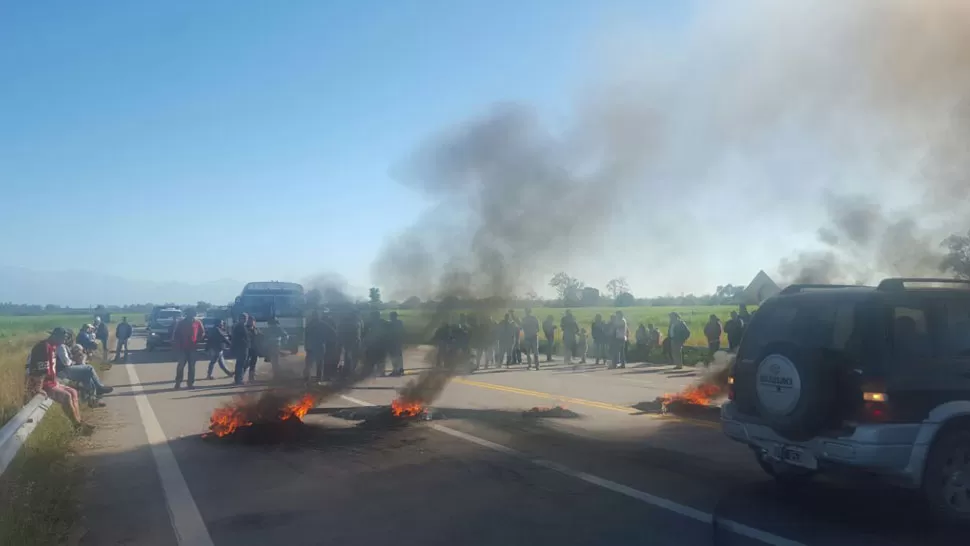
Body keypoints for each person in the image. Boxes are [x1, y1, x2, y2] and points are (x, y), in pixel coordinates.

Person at [27, 328, 89, 431]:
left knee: (73, 392)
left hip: (51, 381)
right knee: (66, 396)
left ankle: (79, 422)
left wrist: (55, 381)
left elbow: (50, 367)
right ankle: (77, 426)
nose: (64, 341)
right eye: (63, 338)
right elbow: (39, 371)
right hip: (42, 382)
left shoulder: (53, 346)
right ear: (55, 336)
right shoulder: (43, 347)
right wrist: (38, 388)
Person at [56, 330, 112, 406]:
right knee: (89, 368)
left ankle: (93, 400)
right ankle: (99, 388)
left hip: (64, 370)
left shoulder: (63, 346)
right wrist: (74, 360)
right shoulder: (61, 347)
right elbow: (66, 362)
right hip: (63, 371)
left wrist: (74, 359)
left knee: (86, 376)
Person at [172, 312, 205, 389]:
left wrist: (199, 339)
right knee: (181, 365)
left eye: (192, 315)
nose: (191, 316)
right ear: (187, 315)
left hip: (193, 347)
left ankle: (190, 383)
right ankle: (178, 382)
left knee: (192, 367)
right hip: (182, 347)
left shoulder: (197, 322)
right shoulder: (181, 323)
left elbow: (202, 332)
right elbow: (176, 334)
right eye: (189, 315)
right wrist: (176, 344)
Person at [304, 310, 326, 383]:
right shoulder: (322, 324)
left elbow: (305, 337)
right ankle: (318, 379)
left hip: (310, 347)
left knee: (308, 364)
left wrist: (306, 346)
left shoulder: (309, 325)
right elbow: (331, 332)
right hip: (319, 346)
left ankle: (307, 378)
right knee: (319, 364)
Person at [338, 309, 362, 377]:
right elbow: (358, 333)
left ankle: (348, 370)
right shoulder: (357, 322)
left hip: (348, 341)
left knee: (348, 356)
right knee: (354, 357)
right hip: (354, 341)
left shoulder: (346, 322)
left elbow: (341, 331)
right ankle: (351, 371)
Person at [231, 314, 252, 385]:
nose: (246, 320)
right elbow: (239, 338)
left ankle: (238, 379)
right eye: (245, 318)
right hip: (242, 347)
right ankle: (238, 380)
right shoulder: (240, 327)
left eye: (246, 318)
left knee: (241, 363)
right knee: (241, 364)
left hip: (242, 347)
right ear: (241, 318)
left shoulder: (241, 326)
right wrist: (246, 343)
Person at [387, 311, 406, 376]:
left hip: (392, 341)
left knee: (394, 356)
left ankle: (396, 370)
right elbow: (403, 332)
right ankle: (400, 370)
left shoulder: (389, 323)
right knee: (398, 356)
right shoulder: (400, 322)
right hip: (397, 341)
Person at [245, 315, 261, 382]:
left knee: (253, 364)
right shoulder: (245, 329)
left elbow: (260, 337)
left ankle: (251, 377)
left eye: (252, 321)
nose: (250, 322)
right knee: (245, 364)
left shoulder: (256, 329)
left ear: (254, 322)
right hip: (247, 348)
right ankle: (240, 377)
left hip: (255, 349)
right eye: (249, 320)